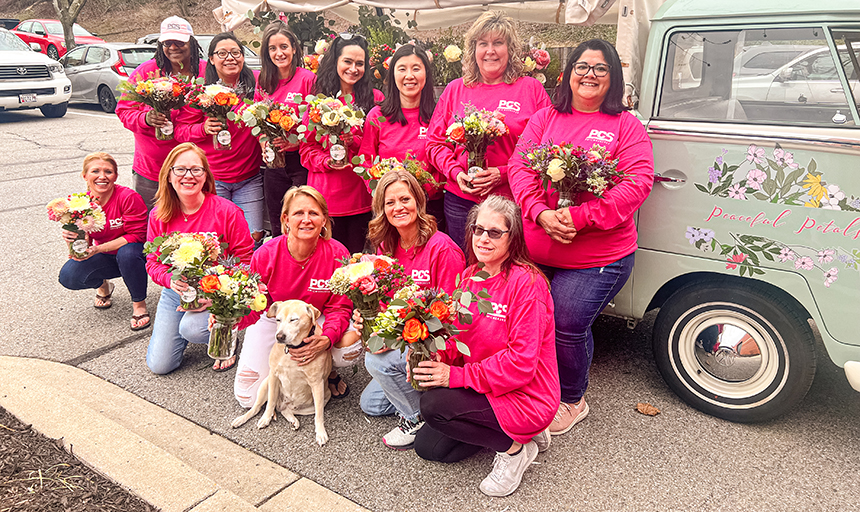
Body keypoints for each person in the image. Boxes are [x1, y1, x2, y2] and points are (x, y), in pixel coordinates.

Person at [508, 39, 654, 435]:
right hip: (538, 245)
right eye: (582, 66)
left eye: (600, 68)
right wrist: (539, 212)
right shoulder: (544, 118)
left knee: (567, 322)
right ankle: (532, 383)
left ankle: (572, 399)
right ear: (568, 72)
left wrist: (580, 217)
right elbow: (519, 168)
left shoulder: (627, 126)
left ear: (613, 78)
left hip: (598, 257)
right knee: (525, 318)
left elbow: (637, 183)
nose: (589, 74)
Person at [411, 195, 559, 498]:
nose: (484, 238)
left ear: (513, 237)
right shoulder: (468, 277)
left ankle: (516, 448)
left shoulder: (527, 284)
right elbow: (457, 338)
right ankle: (513, 432)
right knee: (430, 447)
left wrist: (454, 377)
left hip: (526, 393)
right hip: (485, 385)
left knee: (434, 406)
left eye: (495, 232)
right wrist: (431, 352)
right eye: (479, 230)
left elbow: (520, 364)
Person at [358, 170, 466, 450]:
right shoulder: (386, 246)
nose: (398, 208)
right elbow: (383, 303)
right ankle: (428, 405)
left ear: (418, 201)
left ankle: (416, 416)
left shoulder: (442, 249)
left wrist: (418, 353)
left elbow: (454, 318)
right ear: (382, 209)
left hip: (433, 345)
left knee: (376, 363)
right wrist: (374, 330)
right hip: (403, 341)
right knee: (370, 404)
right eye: (390, 203)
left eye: (405, 199)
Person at [425, 11, 551, 250]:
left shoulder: (531, 89)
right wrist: (454, 172)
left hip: (511, 200)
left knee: (508, 269)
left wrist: (503, 173)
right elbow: (434, 143)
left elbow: (546, 150)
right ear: (474, 50)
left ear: (510, 49)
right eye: (483, 44)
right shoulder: (456, 90)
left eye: (498, 43)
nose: (490, 51)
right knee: (464, 267)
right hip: (461, 201)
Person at [232, 186, 356, 406]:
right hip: (274, 320)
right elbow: (254, 305)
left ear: (324, 220)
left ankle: (326, 372)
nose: (306, 220)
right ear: (285, 219)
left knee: (347, 350)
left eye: (314, 213)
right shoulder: (265, 255)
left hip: (316, 319)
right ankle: (289, 369)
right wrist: (229, 318)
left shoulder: (338, 254)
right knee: (247, 398)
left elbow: (340, 307)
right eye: (299, 213)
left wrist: (327, 338)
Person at [145, 142, 254, 374]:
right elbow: (152, 262)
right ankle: (180, 332)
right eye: (180, 169)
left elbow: (246, 259)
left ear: (206, 176)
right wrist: (169, 281)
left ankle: (226, 335)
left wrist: (219, 297)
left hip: (217, 290)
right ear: (169, 175)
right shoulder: (159, 215)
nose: (188, 176)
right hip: (177, 291)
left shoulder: (227, 211)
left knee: (192, 329)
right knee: (160, 366)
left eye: (196, 169)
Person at [175, 32, 265, 244]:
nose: (230, 58)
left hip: (249, 177)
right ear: (212, 59)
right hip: (213, 180)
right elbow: (180, 132)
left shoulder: (258, 84)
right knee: (217, 238)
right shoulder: (200, 91)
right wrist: (202, 129)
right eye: (222, 53)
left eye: (235, 52)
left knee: (253, 236)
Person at [299, 33, 385, 253]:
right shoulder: (317, 101)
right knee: (325, 260)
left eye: (360, 63)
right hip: (324, 199)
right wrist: (327, 160)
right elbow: (306, 150)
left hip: (360, 197)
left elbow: (379, 146)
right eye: (347, 61)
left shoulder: (375, 99)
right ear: (336, 61)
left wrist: (355, 142)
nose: (353, 68)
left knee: (355, 261)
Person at [116, 16, 205, 210]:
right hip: (151, 170)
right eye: (167, 43)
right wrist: (145, 119)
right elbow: (124, 110)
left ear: (191, 42)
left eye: (180, 42)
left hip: (196, 170)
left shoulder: (206, 72)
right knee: (153, 224)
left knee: (194, 223)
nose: (173, 47)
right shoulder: (146, 72)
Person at [357, 43, 445, 232]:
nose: (409, 76)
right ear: (392, 76)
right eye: (402, 69)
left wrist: (423, 191)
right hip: (391, 209)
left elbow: (443, 162)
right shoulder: (377, 115)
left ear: (426, 75)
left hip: (429, 207)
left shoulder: (438, 115)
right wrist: (379, 190)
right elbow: (365, 161)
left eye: (416, 68)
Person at [58, 152, 150, 331]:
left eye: (108, 172)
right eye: (95, 171)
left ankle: (139, 304)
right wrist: (72, 240)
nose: (102, 176)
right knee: (69, 276)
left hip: (134, 253)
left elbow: (138, 235)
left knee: (128, 254)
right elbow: (84, 239)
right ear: (84, 175)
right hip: (105, 255)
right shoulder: (80, 204)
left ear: (115, 176)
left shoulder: (127, 197)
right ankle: (103, 285)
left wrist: (98, 249)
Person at [255, 21, 317, 237]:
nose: (279, 53)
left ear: (293, 48)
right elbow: (257, 120)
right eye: (273, 48)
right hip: (274, 163)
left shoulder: (307, 79)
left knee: (301, 219)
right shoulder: (263, 81)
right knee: (277, 220)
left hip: (300, 162)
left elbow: (316, 121)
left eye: (284, 47)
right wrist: (264, 142)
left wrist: (298, 141)